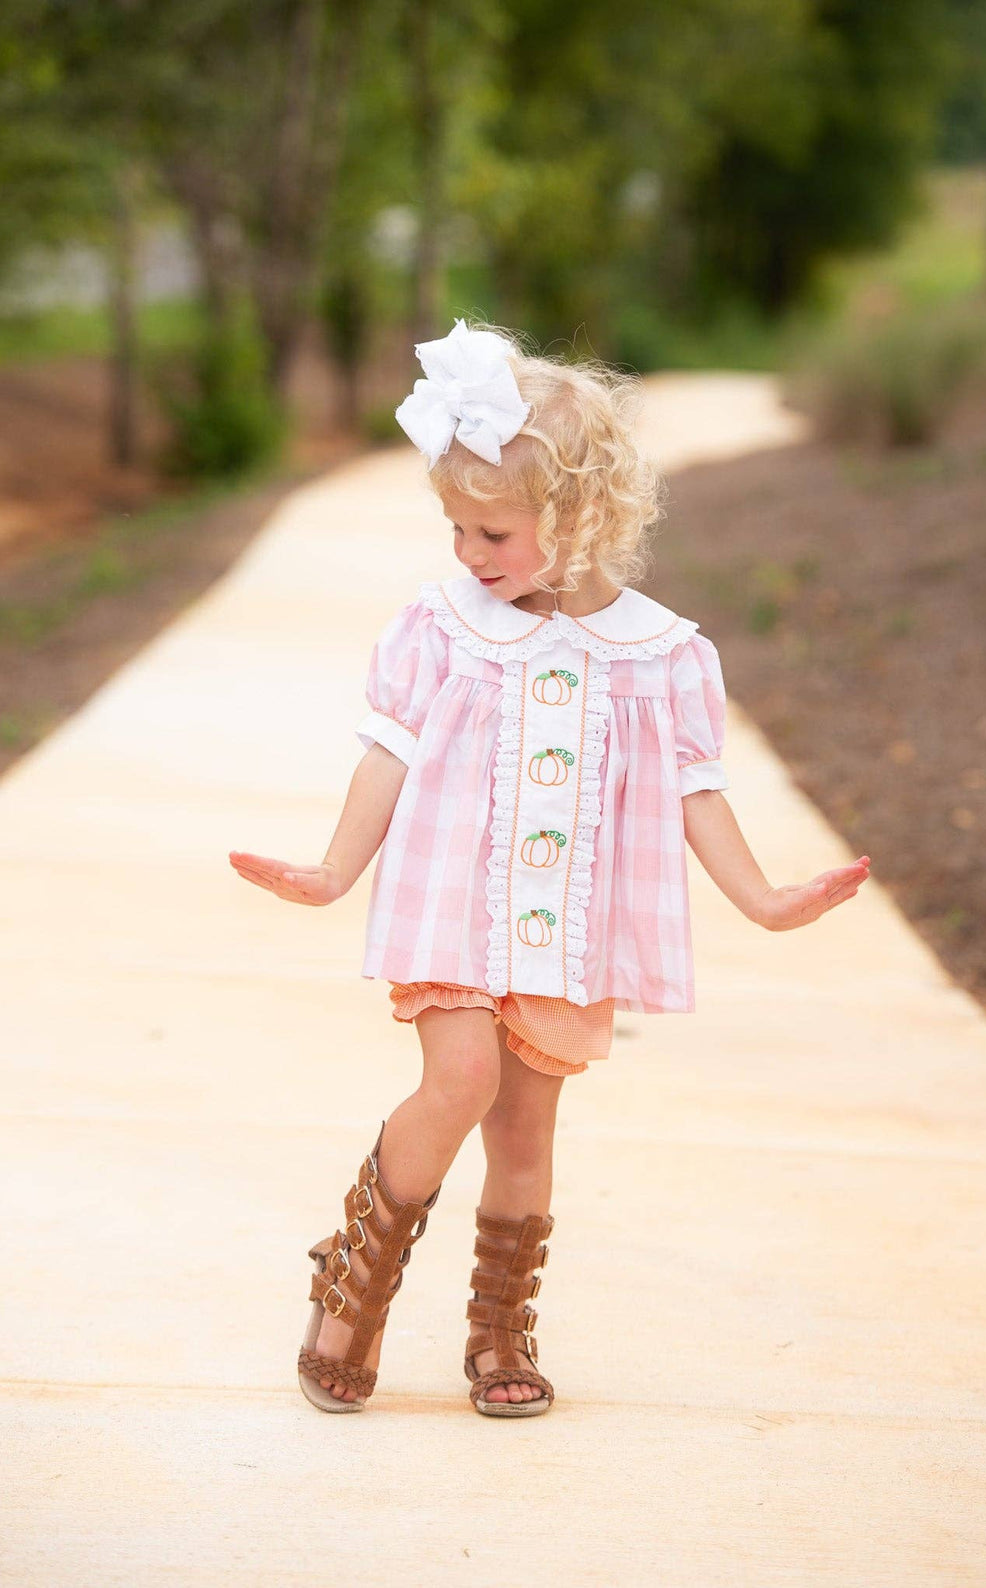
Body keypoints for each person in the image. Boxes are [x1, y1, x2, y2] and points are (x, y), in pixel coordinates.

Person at [228, 317, 872, 1419]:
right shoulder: (444, 627)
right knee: (460, 1077)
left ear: (577, 519)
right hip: (450, 899)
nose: (467, 555)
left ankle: (497, 1327)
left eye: (489, 531)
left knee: (525, 1130)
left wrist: (762, 899)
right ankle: (355, 1283)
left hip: (566, 926)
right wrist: (336, 869)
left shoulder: (660, 654)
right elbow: (390, 749)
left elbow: (693, 789)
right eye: (456, 528)